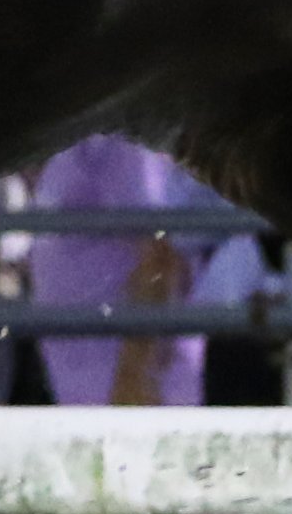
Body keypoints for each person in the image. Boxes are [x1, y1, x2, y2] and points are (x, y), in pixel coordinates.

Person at [24, 135, 211, 405]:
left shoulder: (116, 141)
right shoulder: (80, 139)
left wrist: (134, 376)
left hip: (130, 387)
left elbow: (159, 254)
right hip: (91, 379)